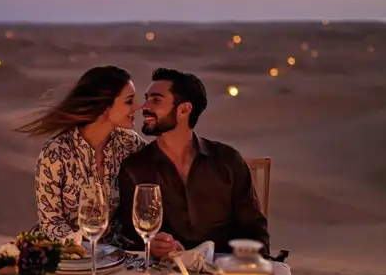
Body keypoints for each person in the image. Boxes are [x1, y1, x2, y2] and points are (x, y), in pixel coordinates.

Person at [112, 67, 270, 257]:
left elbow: (254, 230)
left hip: (224, 272)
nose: (144, 106)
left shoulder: (227, 161)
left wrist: (242, 263)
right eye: (147, 98)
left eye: (156, 100)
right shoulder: (135, 168)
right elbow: (128, 234)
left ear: (184, 109)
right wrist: (150, 246)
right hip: (165, 274)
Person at [16, 65, 146, 242]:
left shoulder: (129, 143)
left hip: (112, 256)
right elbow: (51, 222)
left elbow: (159, 169)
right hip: (63, 256)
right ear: (105, 106)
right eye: (129, 101)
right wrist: (82, 249)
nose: (137, 107)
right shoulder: (56, 153)